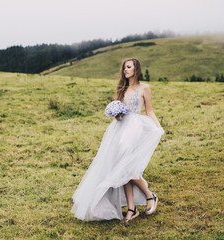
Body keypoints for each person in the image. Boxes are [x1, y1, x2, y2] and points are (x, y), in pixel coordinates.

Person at [71, 58, 165, 222]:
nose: (125, 70)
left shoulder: (144, 88)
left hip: (134, 128)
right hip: (119, 130)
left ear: (136, 69)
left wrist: (158, 128)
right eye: (124, 68)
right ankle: (131, 208)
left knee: (126, 166)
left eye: (128, 67)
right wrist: (117, 114)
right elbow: (120, 114)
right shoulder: (122, 88)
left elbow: (149, 111)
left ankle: (150, 197)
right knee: (120, 167)